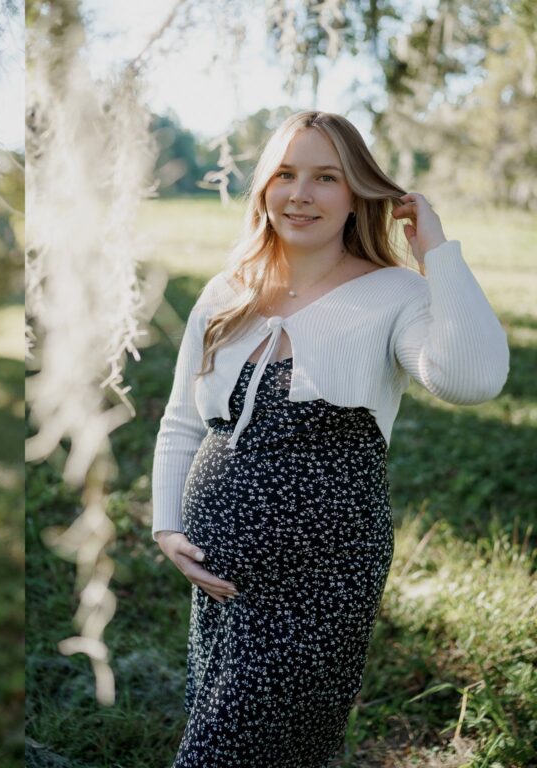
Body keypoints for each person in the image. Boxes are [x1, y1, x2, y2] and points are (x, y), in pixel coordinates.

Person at [149, 110, 510, 767]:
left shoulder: (393, 294)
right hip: (219, 573)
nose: (301, 194)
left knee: (251, 745)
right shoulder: (225, 292)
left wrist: (437, 254)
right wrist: (167, 528)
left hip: (325, 574)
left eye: (326, 178)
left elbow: (473, 378)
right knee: (235, 726)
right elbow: (181, 420)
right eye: (285, 174)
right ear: (263, 187)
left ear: (357, 195)